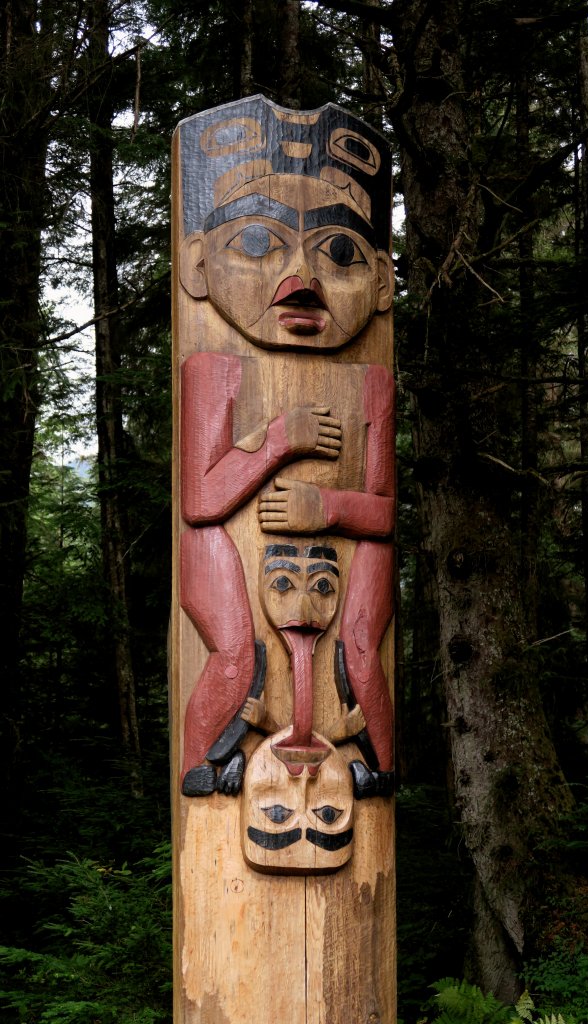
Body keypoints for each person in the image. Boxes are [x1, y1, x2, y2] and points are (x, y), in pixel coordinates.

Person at [177, 96, 395, 798]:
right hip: (229, 542)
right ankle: (205, 765)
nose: (302, 279)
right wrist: (280, 439)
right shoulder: (214, 367)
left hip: (338, 550)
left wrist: (324, 507)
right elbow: (200, 501)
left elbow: (385, 513)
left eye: (339, 251)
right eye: (257, 242)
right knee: (236, 656)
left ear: (383, 282)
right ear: (198, 264)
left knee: (359, 651)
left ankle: (374, 767)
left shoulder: (371, 381)